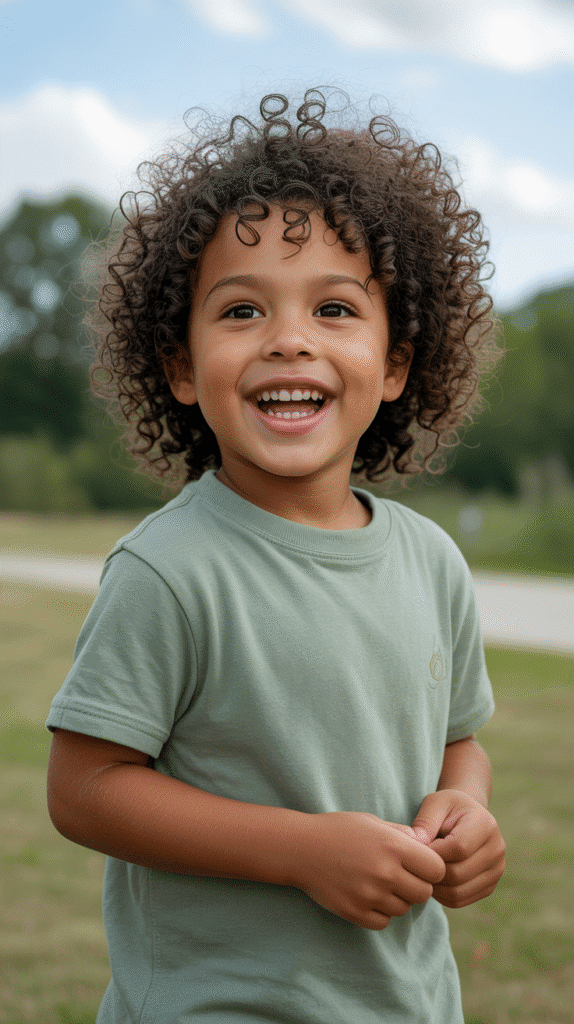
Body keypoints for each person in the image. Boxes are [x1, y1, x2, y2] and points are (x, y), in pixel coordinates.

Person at [46, 88, 506, 1024]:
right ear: (179, 367)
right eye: (243, 309)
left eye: (336, 307)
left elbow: (460, 741)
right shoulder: (170, 570)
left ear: (396, 365)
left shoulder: (431, 561)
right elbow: (86, 791)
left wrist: (467, 813)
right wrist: (300, 849)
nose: (289, 338)